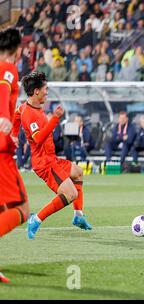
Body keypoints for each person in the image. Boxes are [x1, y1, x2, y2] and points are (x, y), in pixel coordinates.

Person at [17, 72, 93, 240]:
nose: (47, 92)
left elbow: (16, 113)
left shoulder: (27, 107)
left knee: (78, 172)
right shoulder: (30, 114)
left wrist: (14, 135)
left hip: (51, 158)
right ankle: (35, 219)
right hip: (44, 163)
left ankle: (78, 215)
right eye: (45, 89)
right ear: (36, 91)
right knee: (70, 194)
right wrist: (55, 119)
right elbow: (37, 139)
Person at [0, 28, 30, 283]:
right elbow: (4, 88)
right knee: (22, 208)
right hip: (1, 151)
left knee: (2, 208)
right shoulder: (8, 67)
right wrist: (6, 119)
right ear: (17, 50)